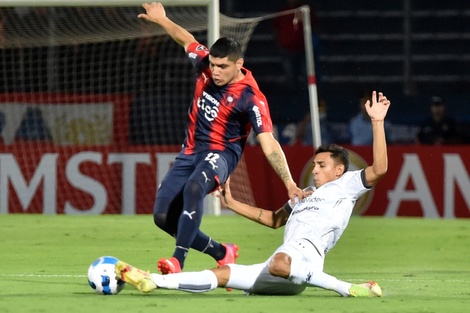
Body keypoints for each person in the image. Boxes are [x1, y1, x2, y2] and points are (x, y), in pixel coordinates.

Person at [115, 91, 390, 298]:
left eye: (322, 165)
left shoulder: (347, 185)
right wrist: (232, 203)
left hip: (303, 260)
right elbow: (273, 219)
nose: (315, 170)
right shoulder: (306, 194)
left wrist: (377, 122)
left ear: (339, 170)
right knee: (222, 274)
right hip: (282, 265)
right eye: (315, 164)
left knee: (280, 262)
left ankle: (349, 289)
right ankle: (152, 280)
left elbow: (379, 168)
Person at [137, 2, 305, 275]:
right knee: (163, 217)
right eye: (213, 64)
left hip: (221, 155)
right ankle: (221, 252)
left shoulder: (251, 98)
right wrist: (162, 20)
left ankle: (177, 261)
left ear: (239, 64)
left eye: (222, 67)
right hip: (190, 151)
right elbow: (187, 40)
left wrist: (288, 181)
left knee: (194, 189)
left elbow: (268, 142)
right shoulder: (205, 64)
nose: (215, 71)